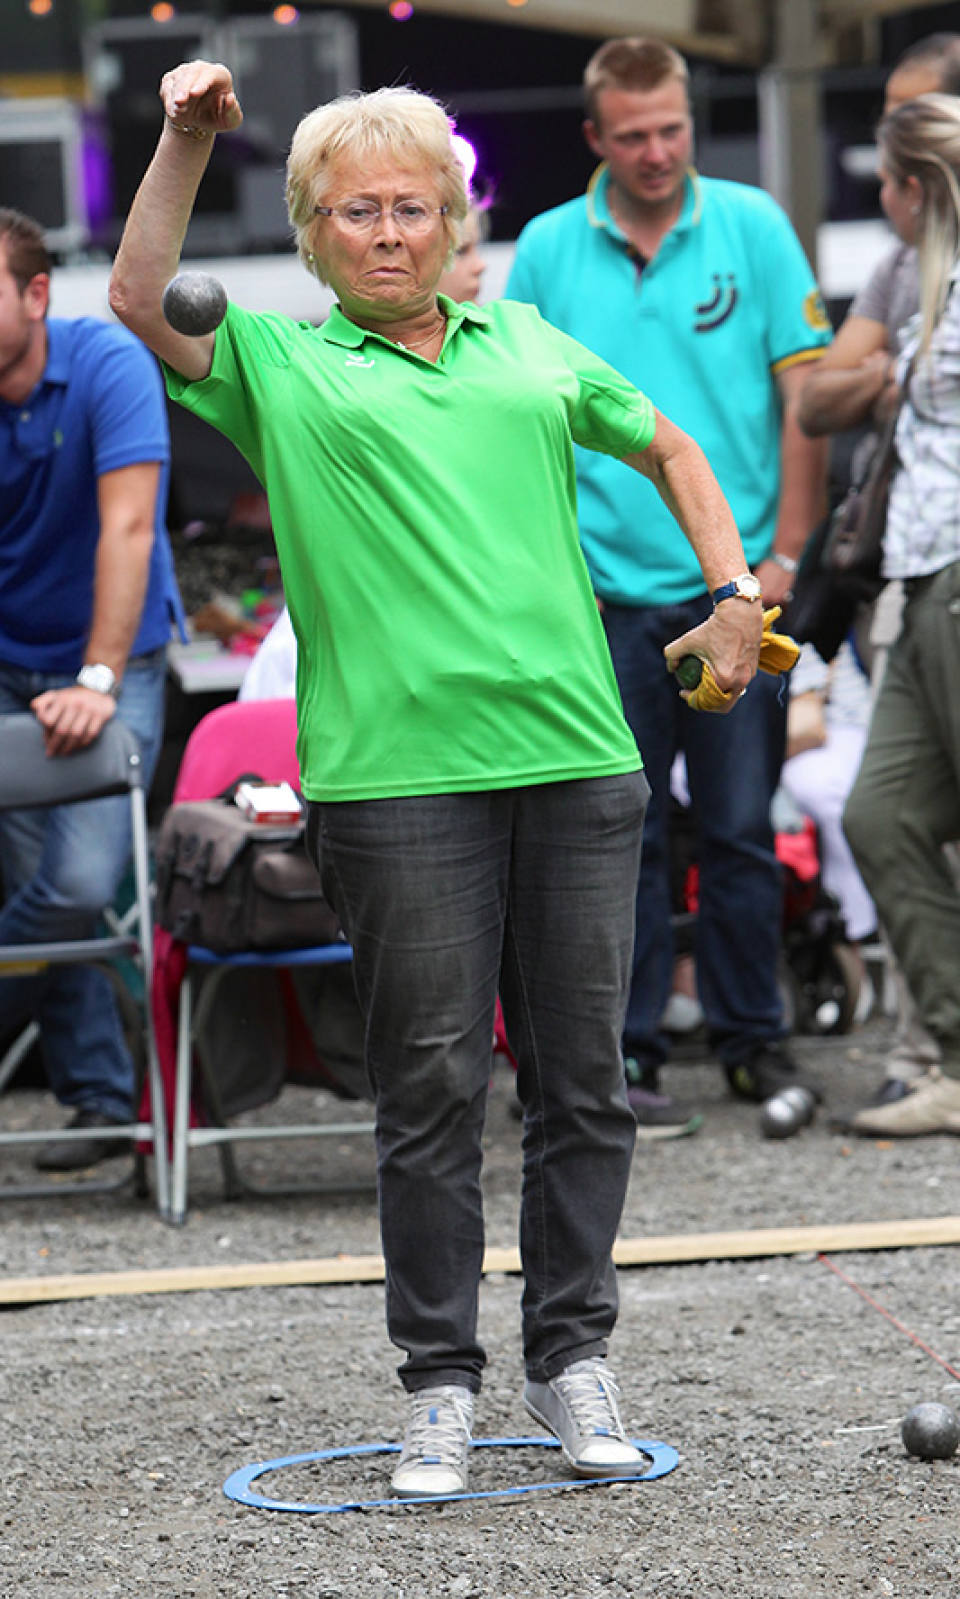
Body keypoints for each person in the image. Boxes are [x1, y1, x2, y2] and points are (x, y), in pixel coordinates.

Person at [109, 61, 763, 1497]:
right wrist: (183, 139)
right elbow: (140, 295)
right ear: (313, 232)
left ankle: (571, 1357)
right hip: (396, 781)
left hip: (578, 759)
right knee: (431, 1090)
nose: (390, 232)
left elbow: (668, 442)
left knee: (585, 1083)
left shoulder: (526, 341)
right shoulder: (281, 368)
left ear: (457, 221)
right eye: (357, 211)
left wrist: (733, 589)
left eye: (414, 206)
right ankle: (440, 1385)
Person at [506, 37, 831, 1137]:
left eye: (673, 129)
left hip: (733, 587)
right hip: (603, 594)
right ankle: (629, 1048)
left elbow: (805, 405)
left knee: (741, 827)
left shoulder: (754, 224)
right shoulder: (547, 245)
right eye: (634, 134)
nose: (657, 152)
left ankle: (752, 1040)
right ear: (594, 136)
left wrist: (787, 554)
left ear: (694, 122)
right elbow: (519, 416)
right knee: (620, 830)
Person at [0, 208, 182, 1172]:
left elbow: (130, 528)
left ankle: (110, 1093)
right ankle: (102, 1098)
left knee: (75, 884)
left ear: (36, 294)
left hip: (115, 662)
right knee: (45, 894)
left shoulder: (108, 363)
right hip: (7, 665)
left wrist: (98, 677)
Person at [840, 94, 960, 1138]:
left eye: (884, 183)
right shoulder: (921, 282)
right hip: (919, 577)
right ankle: (958, 1061)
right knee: (880, 815)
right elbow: (819, 396)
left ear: (914, 189)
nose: (880, 200)